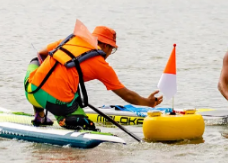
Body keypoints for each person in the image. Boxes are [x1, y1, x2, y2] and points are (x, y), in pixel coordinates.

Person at [24, 26, 163, 130]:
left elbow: (41, 54)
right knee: (88, 125)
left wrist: (51, 72)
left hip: (30, 90)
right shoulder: (101, 64)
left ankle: (39, 115)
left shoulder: (71, 40)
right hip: (54, 103)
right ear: (104, 45)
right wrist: (148, 102)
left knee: (34, 62)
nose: (110, 53)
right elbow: (127, 95)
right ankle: (64, 120)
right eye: (112, 49)